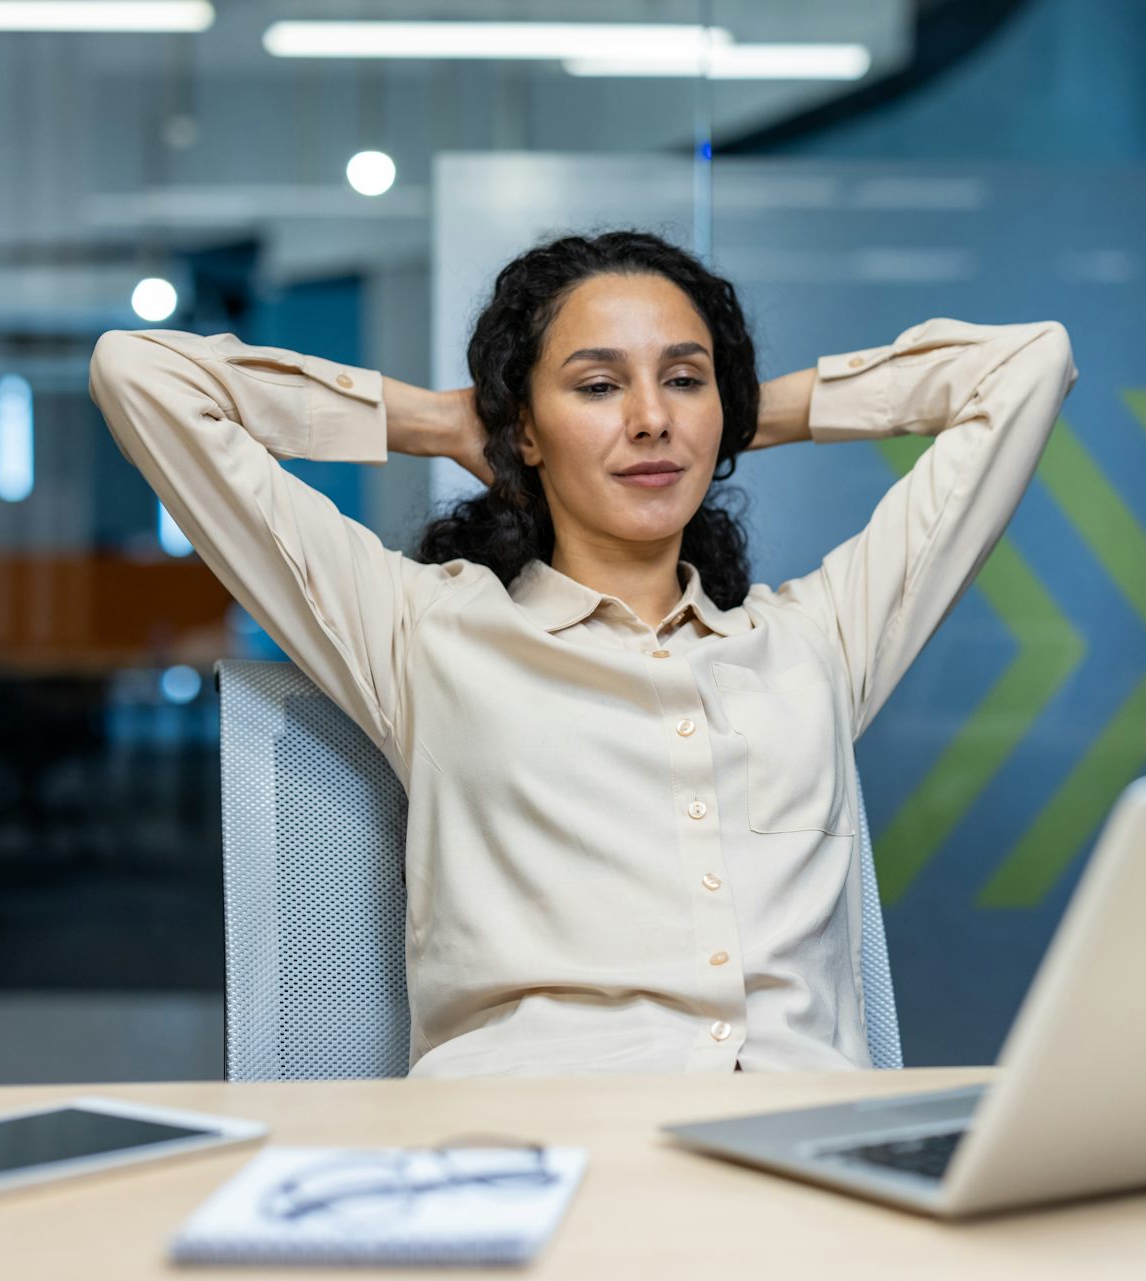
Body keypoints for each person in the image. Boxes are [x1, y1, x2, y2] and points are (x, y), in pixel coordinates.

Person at [89, 229, 1077, 1077]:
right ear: (524, 426)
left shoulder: (813, 644)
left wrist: (737, 416)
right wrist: (445, 420)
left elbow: (1025, 366)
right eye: (598, 385)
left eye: (682, 380)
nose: (651, 417)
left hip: (792, 1153)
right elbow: (141, 377)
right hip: (532, 1147)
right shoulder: (423, 634)